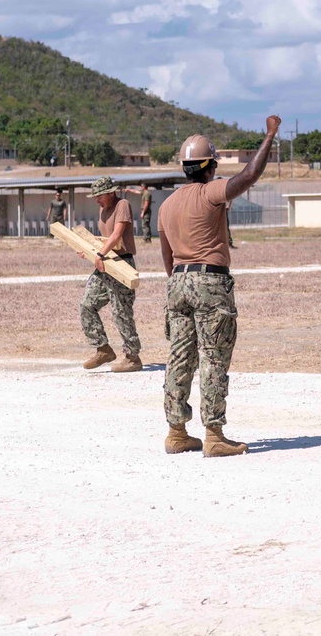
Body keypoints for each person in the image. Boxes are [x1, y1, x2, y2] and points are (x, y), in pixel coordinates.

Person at [158, 116, 280, 457]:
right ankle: (214, 434)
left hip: (178, 282)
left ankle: (177, 432)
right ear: (210, 166)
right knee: (213, 357)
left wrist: (181, 283)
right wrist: (269, 135)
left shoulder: (166, 205)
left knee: (179, 358)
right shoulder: (211, 191)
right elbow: (249, 176)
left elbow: (167, 258)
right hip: (210, 280)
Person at [80, 176, 143, 373]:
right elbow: (106, 239)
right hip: (105, 263)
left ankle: (133, 358)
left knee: (121, 312)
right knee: (87, 305)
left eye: (99, 196)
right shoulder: (103, 209)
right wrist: (89, 250)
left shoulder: (122, 204)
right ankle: (103, 349)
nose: (97, 200)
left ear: (110, 192)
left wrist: (99, 253)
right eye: (95, 196)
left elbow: (117, 235)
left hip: (122, 263)